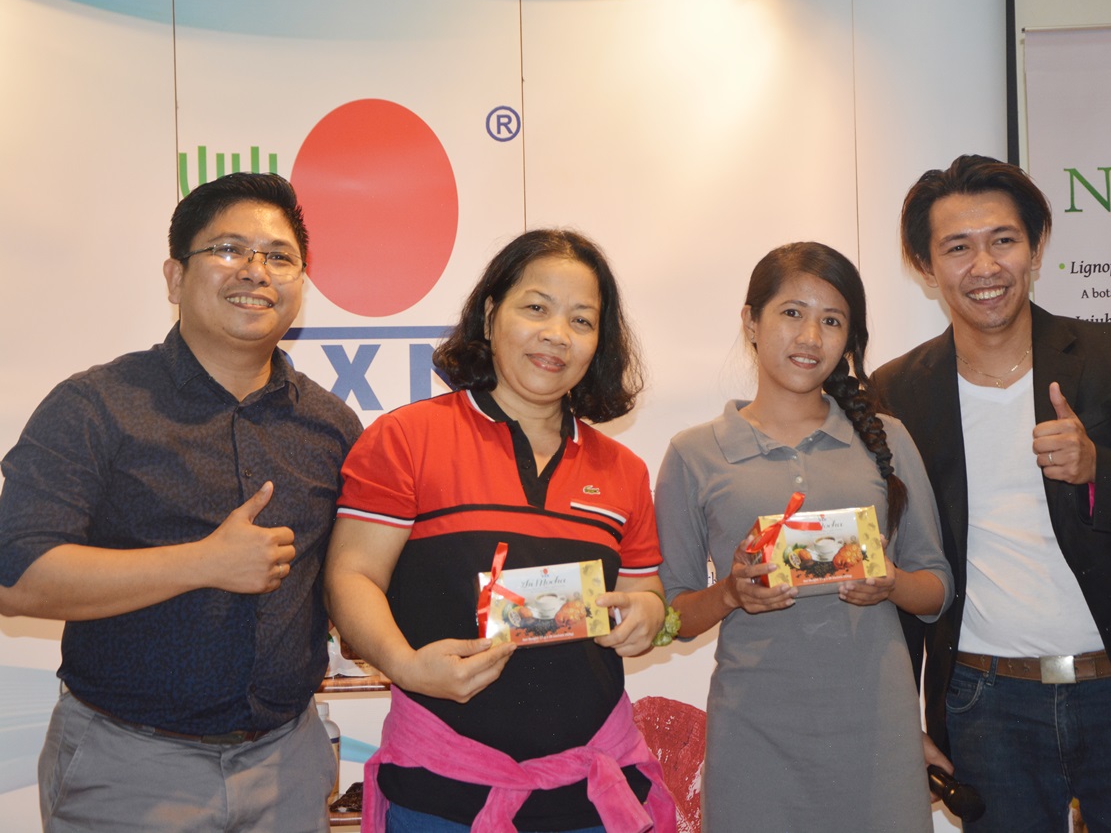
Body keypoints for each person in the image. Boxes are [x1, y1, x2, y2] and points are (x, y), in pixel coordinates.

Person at [871, 154, 1111, 832]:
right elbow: (896, 561)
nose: (985, 265)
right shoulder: (898, 390)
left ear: (1036, 247)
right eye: (958, 247)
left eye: (1003, 240)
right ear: (926, 266)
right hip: (984, 704)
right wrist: (898, 715)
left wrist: (1101, 468)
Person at [0, 172, 363, 832]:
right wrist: (204, 562)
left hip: (288, 764)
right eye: (228, 248)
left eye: (279, 256)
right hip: (129, 767)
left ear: (300, 284)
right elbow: (16, 575)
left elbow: (354, 577)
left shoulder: (332, 426)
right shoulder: (97, 406)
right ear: (174, 277)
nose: (256, 270)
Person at [324, 229, 676, 833]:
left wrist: (646, 614)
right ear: (490, 315)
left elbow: (645, 592)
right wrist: (406, 666)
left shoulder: (623, 471)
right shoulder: (407, 439)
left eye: (582, 320)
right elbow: (350, 576)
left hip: (588, 797)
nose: (557, 335)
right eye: (536, 308)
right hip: (440, 795)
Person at [655, 241, 954, 833]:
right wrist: (731, 593)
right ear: (751, 322)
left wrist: (891, 582)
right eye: (792, 313)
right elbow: (672, 616)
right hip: (754, 737)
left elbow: (937, 589)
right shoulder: (694, 453)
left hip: (878, 732)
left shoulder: (888, 439)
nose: (811, 337)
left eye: (832, 321)